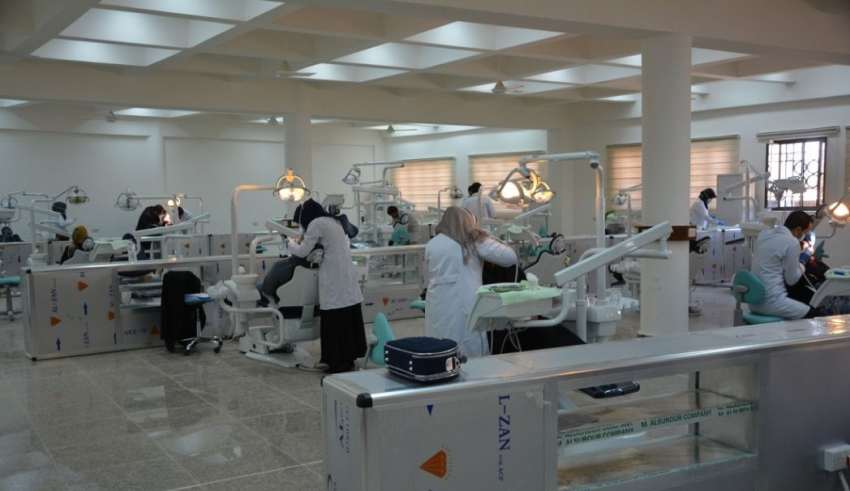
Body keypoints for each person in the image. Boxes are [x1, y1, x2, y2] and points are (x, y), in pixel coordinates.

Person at [424, 207, 518, 358]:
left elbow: (427, 277)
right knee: (469, 347)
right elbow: (510, 258)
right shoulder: (472, 242)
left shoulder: (432, 244)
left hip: (437, 304)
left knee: (440, 345)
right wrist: (485, 237)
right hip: (465, 305)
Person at [287, 199, 366, 373]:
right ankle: (345, 359)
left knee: (335, 320)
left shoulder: (316, 224)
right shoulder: (332, 221)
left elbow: (303, 251)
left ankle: (336, 361)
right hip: (345, 275)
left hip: (334, 278)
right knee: (347, 318)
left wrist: (290, 243)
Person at [750, 210, 816, 319]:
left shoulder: (764, 235)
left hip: (753, 301)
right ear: (798, 230)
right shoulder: (792, 242)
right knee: (814, 314)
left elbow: (776, 252)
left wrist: (799, 249)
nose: (805, 236)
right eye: (805, 233)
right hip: (772, 302)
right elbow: (791, 280)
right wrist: (803, 260)